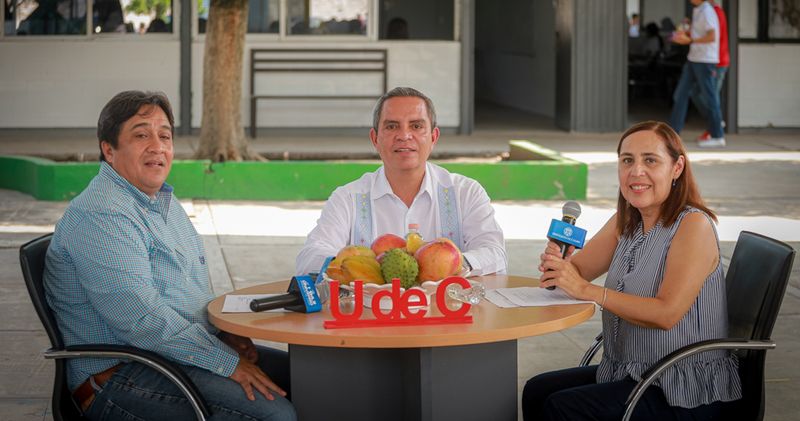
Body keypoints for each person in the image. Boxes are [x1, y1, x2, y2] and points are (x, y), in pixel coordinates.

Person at [44, 91, 296, 420]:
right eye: (141, 134)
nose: (157, 146)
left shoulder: (159, 201)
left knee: (309, 378)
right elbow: (143, 321)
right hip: (121, 376)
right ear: (109, 149)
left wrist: (223, 333)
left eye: (164, 135)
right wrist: (225, 360)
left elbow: (186, 294)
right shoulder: (103, 214)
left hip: (166, 357)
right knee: (273, 414)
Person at [521, 121, 741, 420]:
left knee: (561, 408)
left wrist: (585, 289)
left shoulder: (693, 226)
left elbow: (666, 314)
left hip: (682, 386)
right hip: (633, 372)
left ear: (676, 167)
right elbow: (578, 273)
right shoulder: (626, 219)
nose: (636, 171)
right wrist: (560, 265)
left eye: (650, 160)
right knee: (537, 390)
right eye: (627, 160)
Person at [295, 87, 507, 277]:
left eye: (416, 126)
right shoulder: (348, 198)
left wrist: (450, 265)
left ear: (433, 137)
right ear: (375, 139)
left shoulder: (466, 192)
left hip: (447, 314)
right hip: (370, 316)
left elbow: (495, 253)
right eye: (392, 126)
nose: (404, 135)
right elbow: (310, 256)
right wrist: (362, 270)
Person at [668, 0, 726, 148]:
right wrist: (686, 33)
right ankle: (673, 134)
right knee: (680, 94)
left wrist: (690, 40)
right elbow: (699, 33)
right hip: (693, 59)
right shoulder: (698, 10)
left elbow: (712, 36)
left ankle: (718, 135)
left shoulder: (707, 11)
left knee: (710, 97)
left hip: (705, 61)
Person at [691, 0, 730, 143]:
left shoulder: (712, 12)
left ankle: (716, 130)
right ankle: (715, 124)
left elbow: (712, 37)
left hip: (716, 62)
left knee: (711, 99)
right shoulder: (707, 11)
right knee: (698, 94)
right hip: (712, 61)